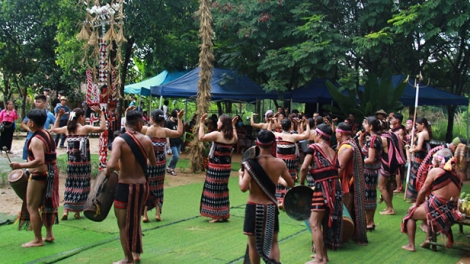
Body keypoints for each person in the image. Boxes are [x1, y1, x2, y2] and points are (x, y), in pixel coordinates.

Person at [105, 110, 157, 264]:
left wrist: (108, 170)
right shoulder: (147, 140)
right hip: (141, 186)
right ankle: (137, 254)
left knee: (123, 224)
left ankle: (128, 258)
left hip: (124, 186)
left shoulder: (119, 141)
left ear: (125, 124)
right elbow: (153, 163)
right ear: (140, 124)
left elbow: (112, 165)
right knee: (135, 219)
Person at [239, 130, 294, 264]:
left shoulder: (250, 164)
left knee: (253, 245)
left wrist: (240, 176)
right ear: (273, 144)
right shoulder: (280, 163)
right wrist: (279, 180)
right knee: (273, 242)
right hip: (270, 207)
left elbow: (243, 188)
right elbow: (291, 184)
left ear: (257, 144)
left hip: (253, 206)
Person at [10, 109, 59, 247]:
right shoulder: (47, 133)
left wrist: (20, 165)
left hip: (39, 175)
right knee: (47, 204)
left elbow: (39, 160)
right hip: (50, 173)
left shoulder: (36, 140)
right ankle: (49, 234)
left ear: (31, 123)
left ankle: (38, 239)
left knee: (31, 206)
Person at [401, 148, 462, 252]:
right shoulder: (457, 174)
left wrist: (416, 204)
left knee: (410, 214)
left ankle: (411, 245)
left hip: (439, 208)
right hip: (452, 209)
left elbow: (423, 190)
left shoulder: (435, 171)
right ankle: (428, 240)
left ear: (439, 160)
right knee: (429, 208)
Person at [51, 107, 106, 220]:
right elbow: (102, 128)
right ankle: (77, 211)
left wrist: (59, 116)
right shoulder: (85, 129)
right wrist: (101, 114)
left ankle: (66, 210)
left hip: (72, 163)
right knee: (83, 186)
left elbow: (55, 129)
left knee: (70, 185)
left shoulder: (67, 129)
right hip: (83, 164)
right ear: (81, 117)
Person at [300, 123, 342, 264]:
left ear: (318, 135)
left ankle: (319, 258)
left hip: (322, 189)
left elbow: (304, 167)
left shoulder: (313, 148)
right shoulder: (333, 150)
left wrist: (300, 184)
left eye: (314, 132)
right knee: (324, 222)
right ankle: (323, 256)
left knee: (314, 223)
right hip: (335, 189)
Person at [141, 108, 184, 222]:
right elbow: (179, 132)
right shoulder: (164, 131)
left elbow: (129, 128)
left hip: (148, 163)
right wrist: (179, 119)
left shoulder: (146, 129)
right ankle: (157, 213)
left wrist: (127, 114)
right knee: (158, 188)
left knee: (147, 188)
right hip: (160, 164)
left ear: (152, 119)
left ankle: (145, 215)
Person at [199, 113, 238, 223]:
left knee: (214, 189)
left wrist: (201, 124)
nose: (217, 123)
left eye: (219, 121)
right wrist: (233, 125)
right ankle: (223, 213)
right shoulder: (232, 137)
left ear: (223, 124)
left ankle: (216, 215)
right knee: (222, 189)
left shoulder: (217, 135)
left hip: (216, 168)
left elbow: (201, 137)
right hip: (226, 168)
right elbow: (236, 138)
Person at [336, 122, 368, 245]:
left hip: (348, 184)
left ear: (340, 133)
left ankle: (342, 236)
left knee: (345, 211)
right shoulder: (350, 144)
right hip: (350, 182)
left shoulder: (346, 148)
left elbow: (340, 168)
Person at [270, 117, 310, 209]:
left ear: (282, 126)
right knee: (289, 179)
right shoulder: (293, 136)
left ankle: (280, 200)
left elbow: (269, 131)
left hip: (279, 161)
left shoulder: (277, 134)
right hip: (290, 162)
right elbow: (306, 136)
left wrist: (270, 122)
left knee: (280, 180)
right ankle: (285, 201)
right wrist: (307, 124)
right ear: (290, 126)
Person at [358, 116, 382, 231]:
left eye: (365, 123)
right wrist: (360, 140)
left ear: (371, 126)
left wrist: (358, 161)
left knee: (368, 196)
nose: (364, 125)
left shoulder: (373, 140)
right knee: (370, 195)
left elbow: (370, 158)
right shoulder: (375, 138)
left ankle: (369, 221)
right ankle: (370, 221)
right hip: (371, 171)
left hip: (368, 171)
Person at [21, 95, 56, 161]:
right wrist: (30, 129)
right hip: (29, 137)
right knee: (28, 159)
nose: (36, 103)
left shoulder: (49, 114)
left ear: (44, 103)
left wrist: (48, 131)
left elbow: (56, 125)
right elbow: (23, 123)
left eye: (39, 102)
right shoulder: (32, 113)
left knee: (40, 158)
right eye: (36, 102)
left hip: (42, 138)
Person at [406, 117, 432, 202]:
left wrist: (411, 149)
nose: (416, 127)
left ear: (422, 124)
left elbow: (419, 148)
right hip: (424, 157)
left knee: (417, 176)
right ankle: (417, 196)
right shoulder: (426, 132)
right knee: (420, 176)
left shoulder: (422, 134)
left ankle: (417, 197)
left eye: (417, 125)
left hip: (420, 158)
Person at [391, 113, 407, 193]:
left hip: (398, 152)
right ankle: (395, 185)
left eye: (393, 118)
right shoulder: (393, 129)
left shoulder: (400, 130)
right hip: (393, 151)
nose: (391, 120)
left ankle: (399, 187)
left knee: (398, 170)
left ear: (397, 120)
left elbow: (400, 142)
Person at [165, 108, 184, 176]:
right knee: (175, 156)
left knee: (177, 156)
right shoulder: (168, 122)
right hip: (172, 141)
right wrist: (167, 142)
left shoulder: (178, 121)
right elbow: (166, 133)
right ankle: (169, 166)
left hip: (178, 141)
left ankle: (172, 169)